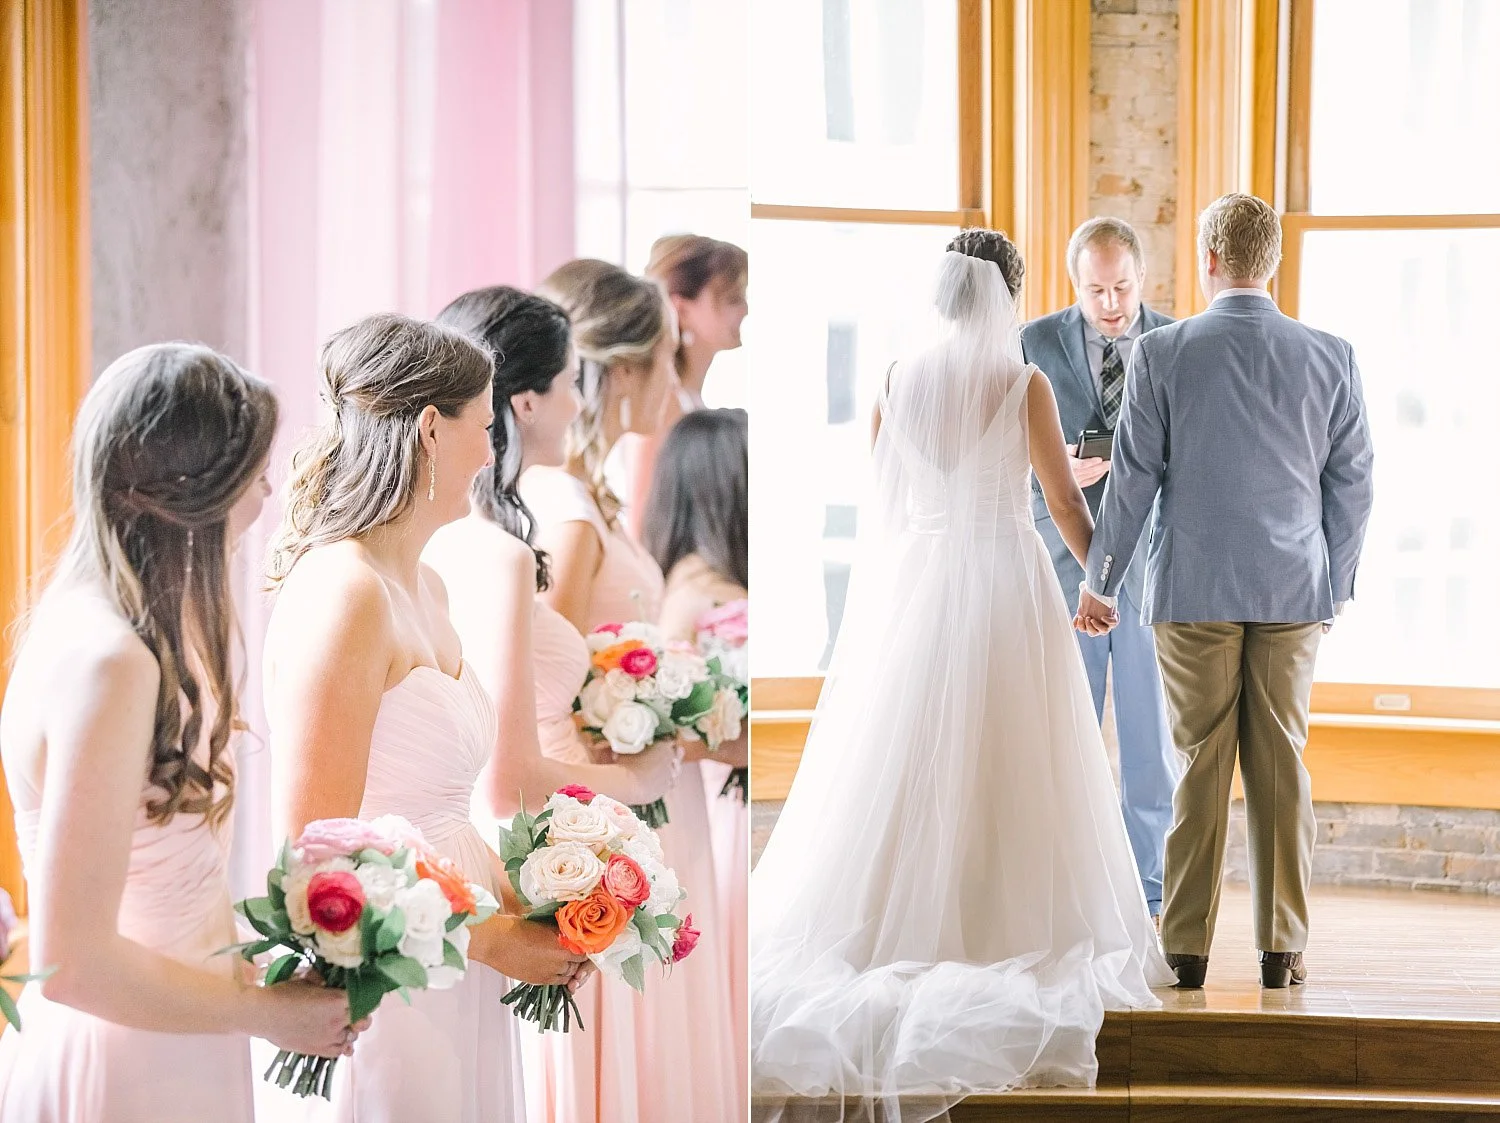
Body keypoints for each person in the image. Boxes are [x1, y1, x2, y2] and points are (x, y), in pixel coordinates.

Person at [751, 231, 1170, 1123]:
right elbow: (1061, 500)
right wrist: (1103, 583)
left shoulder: (897, 380)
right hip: (1004, 579)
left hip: (919, 583)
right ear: (1009, 295)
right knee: (1014, 751)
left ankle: (891, 924)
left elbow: (885, 499)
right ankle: (1000, 920)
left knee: (907, 754)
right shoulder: (1024, 383)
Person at [0, 344, 359, 1122]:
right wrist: (268, 1015)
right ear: (196, 488)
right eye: (255, 474)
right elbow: (72, 964)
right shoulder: (111, 661)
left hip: (177, 1034)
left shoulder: (102, 631)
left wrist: (258, 968)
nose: (269, 492)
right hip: (128, 1063)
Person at [261, 315, 586, 1122]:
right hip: (392, 969)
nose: (490, 454)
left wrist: (548, 899)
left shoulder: (427, 586)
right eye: (485, 426)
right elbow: (317, 852)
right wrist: (498, 938)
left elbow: (445, 805)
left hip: (464, 951)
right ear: (431, 430)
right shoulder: (346, 592)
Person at [1077, 193, 1374, 989]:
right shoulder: (1331, 355)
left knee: (1200, 761)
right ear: (1271, 263)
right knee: (1281, 761)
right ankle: (1282, 948)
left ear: (1208, 261)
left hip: (1193, 588)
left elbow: (1132, 482)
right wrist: (1334, 583)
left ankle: (1186, 949)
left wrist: (1100, 578)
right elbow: (1352, 485)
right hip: (1292, 589)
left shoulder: (1162, 353)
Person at [522, 260, 741, 1123]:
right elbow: (543, 696)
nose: (676, 373)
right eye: (665, 354)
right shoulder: (570, 515)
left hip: (655, 802)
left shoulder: (596, 499)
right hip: (618, 816)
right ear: (621, 370)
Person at [423, 284, 679, 814]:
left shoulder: (446, 533)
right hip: (538, 828)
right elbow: (509, 782)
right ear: (528, 401)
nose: (581, 403)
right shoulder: (500, 555)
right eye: (570, 383)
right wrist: (639, 780)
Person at [1020, 217, 1178, 918]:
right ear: (1072, 283)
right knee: (1066, 734)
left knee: (1150, 739)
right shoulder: (1031, 342)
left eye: (1121, 287)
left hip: (1151, 568)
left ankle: (1148, 889)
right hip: (1060, 566)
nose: (1110, 303)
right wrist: (1057, 475)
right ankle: (1063, 880)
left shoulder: (1178, 343)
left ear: (1141, 278)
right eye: (1095, 290)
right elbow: (1006, 460)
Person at [643, 407, 750, 1108]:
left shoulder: (717, 578)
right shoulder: (684, 596)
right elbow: (669, 725)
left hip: (738, 806)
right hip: (721, 806)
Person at [622, 235, 749, 537]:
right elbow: (643, 521)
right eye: (732, 298)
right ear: (682, 309)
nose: (745, 309)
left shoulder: (691, 399)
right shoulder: (664, 405)